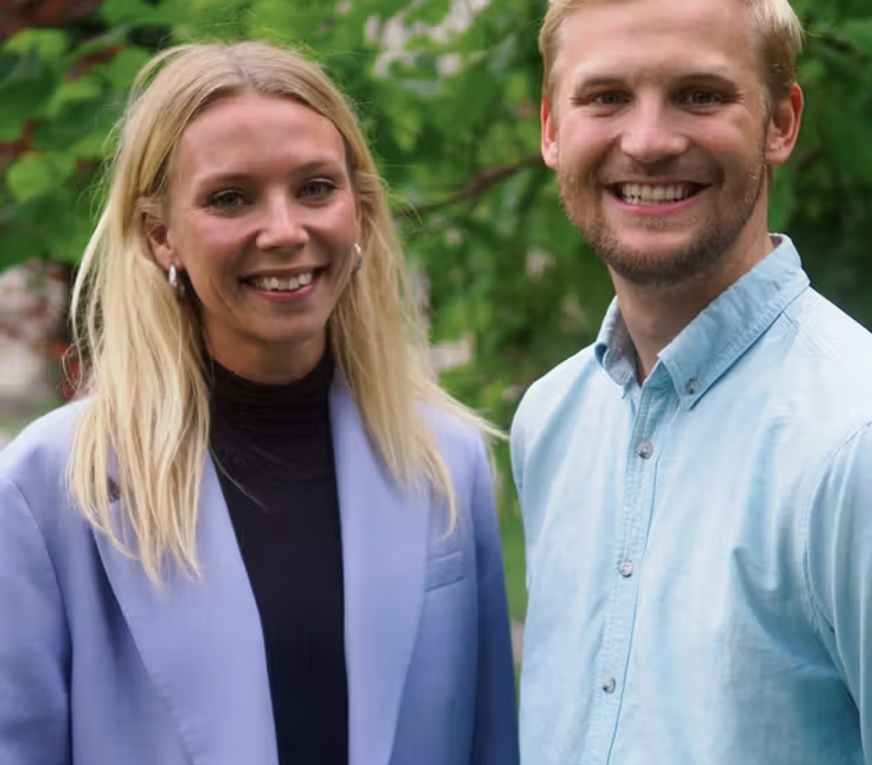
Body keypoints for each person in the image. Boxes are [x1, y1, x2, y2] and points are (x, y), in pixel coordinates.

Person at [510, 0, 872, 763]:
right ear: (552, 127)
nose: (648, 140)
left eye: (701, 95)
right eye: (605, 96)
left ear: (781, 122)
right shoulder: (550, 421)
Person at [0, 41, 519, 765]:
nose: (284, 230)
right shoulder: (48, 488)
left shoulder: (448, 460)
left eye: (315, 188)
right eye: (230, 198)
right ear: (160, 235)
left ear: (360, 212)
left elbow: (490, 743)